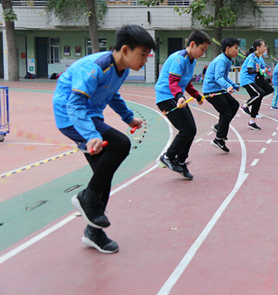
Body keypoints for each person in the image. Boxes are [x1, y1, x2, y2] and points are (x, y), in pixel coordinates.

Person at [53, 24, 155, 253]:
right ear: (126, 50)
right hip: (71, 117)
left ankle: (93, 231)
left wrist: (128, 118)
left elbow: (112, 94)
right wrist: (90, 135)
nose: (145, 61)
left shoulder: (122, 69)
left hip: (89, 116)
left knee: (103, 172)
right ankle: (86, 198)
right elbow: (75, 104)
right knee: (120, 144)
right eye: (143, 55)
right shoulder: (95, 67)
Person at [155, 30, 211, 180]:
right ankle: (168, 156)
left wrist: (197, 95)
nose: (203, 53)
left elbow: (185, 82)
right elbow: (173, 82)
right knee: (186, 129)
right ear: (192, 44)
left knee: (191, 130)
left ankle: (180, 161)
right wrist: (180, 96)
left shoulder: (191, 60)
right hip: (166, 97)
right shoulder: (180, 59)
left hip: (174, 96)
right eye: (202, 49)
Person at [203, 37, 241, 153]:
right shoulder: (221, 60)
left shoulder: (227, 60)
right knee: (226, 112)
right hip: (211, 91)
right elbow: (218, 77)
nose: (237, 51)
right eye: (235, 48)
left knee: (234, 105)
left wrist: (233, 85)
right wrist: (228, 86)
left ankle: (219, 127)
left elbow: (223, 77)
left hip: (218, 89)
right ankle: (219, 139)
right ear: (227, 49)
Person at [239, 39, 271, 130]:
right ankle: (245, 106)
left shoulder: (257, 58)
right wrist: (257, 70)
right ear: (258, 47)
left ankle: (251, 122)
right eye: (263, 46)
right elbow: (249, 70)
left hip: (252, 80)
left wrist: (262, 71)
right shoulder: (252, 57)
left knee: (258, 97)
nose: (265, 48)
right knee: (259, 93)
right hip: (246, 80)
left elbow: (257, 71)